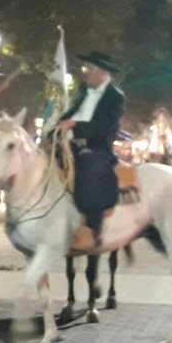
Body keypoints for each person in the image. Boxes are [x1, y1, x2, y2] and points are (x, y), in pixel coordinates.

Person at [56, 51, 125, 251]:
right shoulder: (84, 92)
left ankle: (91, 229)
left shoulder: (114, 97)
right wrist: (55, 128)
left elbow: (105, 126)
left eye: (88, 69)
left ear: (102, 73)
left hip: (96, 147)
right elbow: (70, 115)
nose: (84, 72)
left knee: (90, 172)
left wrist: (74, 126)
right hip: (70, 145)